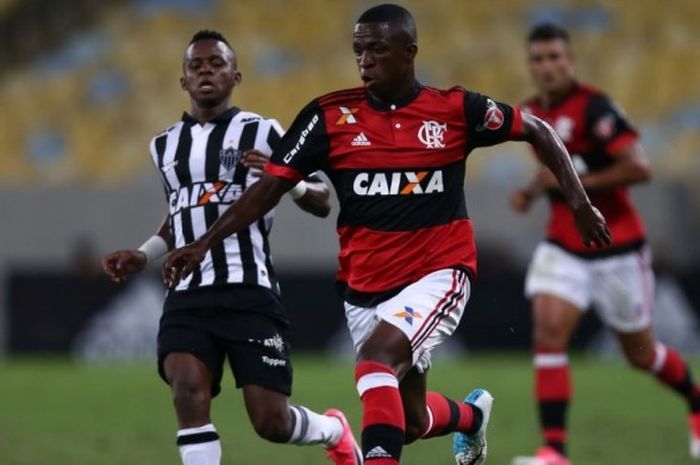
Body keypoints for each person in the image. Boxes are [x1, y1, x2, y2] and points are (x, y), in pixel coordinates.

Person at [163, 8, 611, 465]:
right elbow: (267, 189)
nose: (365, 60)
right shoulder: (328, 116)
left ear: (409, 53)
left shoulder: (455, 110)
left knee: (375, 361)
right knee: (410, 421)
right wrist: (203, 244)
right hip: (365, 290)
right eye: (359, 50)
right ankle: (471, 418)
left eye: (377, 49)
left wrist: (580, 204)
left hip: (439, 271)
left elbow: (538, 129)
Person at [101, 30, 363, 465]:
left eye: (216, 64)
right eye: (196, 65)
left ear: (235, 76)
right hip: (187, 292)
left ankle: (334, 429)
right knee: (186, 390)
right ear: (183, 80)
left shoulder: (263, 131)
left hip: (248, 291)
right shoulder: (164, 145)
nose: (206, 71)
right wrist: (145, 254)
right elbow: (181, 215)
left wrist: (286, 179)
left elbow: (321, 200)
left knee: (270, 422)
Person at [509, 24, 700, 465]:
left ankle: (694, 396)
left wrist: (576, 183)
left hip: (617, 246)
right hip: (563, 244)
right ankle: (554, 450)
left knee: (641, 354)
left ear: (569, 60)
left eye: (555, 57)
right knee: (548, 334)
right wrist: (531, 192)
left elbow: (639, 168)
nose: (547, 66)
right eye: (538, 59)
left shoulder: (595, 107)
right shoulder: (530, 113)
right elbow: (554, 172)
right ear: (530, 66)